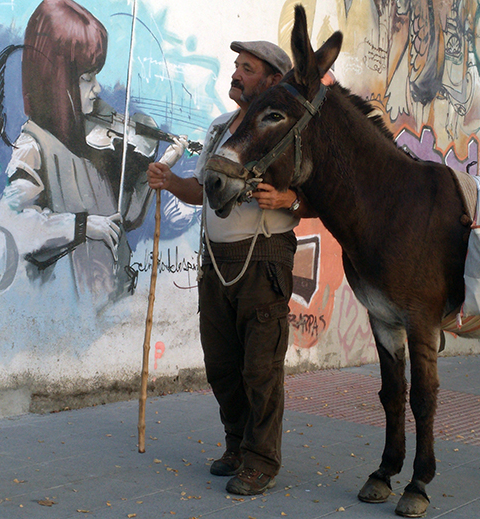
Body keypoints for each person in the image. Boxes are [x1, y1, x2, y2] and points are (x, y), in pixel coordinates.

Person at [148, 40, 314, 495]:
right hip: (216, 264)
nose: (236, 74)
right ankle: (238, 446)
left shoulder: (286, 131)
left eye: (248, 68)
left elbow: (324, 192)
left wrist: (288, 199)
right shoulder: (221, 129)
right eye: (236, 66)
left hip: (263, 259)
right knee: (222, 364)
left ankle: (262, 460)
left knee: (260, 367)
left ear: (273, 81)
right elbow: (202, 191)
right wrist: (170, 182)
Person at [0, 0, 156, 305]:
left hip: (108, 298)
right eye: (86, 78)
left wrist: (147, 173)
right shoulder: (34, 144)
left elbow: (123, 218)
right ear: (56, 78)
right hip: (65, 308)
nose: (97, 89)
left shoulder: (89, 140)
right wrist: (81, 226)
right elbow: (11, 223)